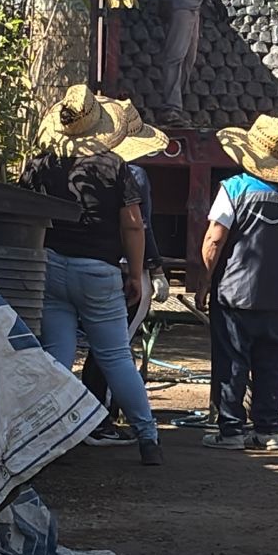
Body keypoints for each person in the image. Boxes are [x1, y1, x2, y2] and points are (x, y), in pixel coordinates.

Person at [20, 84, 166, 465]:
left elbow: (23, 213)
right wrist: (135, 272)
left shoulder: (41, 163)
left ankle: (46, 435)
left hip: (50, 265)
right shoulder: (113, 166)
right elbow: (133, 224)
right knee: (115, 356)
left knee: (57, 354)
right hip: (99, 271)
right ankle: (148, 437)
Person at [197, 115, 278, 451]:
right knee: (271, 363)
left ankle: (231, 432)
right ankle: (268, 431)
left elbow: (214, 240)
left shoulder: (234, 188)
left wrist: (204, 281)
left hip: (234, 295)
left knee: (232, 362)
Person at [81, 110, 171, 440]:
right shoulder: (134, 174)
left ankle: (84, 415)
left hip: (82, 264)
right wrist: (154, 267)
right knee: (114, 349)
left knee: (86, 347)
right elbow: (140, 226)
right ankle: (103, 419)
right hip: (124, 270)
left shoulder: (81, 168)